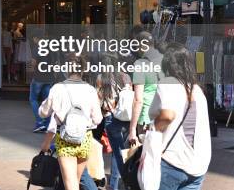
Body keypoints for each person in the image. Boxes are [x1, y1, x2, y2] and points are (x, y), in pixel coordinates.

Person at [149, 42, 211, 189]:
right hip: (199, 164)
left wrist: (154, 130)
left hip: (173, 161)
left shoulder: (168, 83)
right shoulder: (197, 89)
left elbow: (167, 115)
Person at [38, 54, 102, 190]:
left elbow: (43, 112)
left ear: (66, 69)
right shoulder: (90, 90)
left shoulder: (57, 88)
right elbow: (98, 119)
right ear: (83, 70)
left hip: (65, 138)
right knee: (76, 181)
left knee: (70, 184)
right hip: (85, 137)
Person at [96, 59, 132, 190]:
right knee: (123, 151)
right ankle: (124, 182)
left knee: (116, 152)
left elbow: (98, 98)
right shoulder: (125, 76)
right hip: (126, 117)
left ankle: (114, 185)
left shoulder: (102, 77)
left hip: (110, 117)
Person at [39, 115, 98, 190]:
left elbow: (43, 113)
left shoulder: (60, 102)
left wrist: (46, 144)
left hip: (65, 143)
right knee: (75, 179)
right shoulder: (89, 102)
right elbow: (97, 119)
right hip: (84, 140)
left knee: (74, 181)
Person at [128, 31, 163, 146]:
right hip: (163, 114)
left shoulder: (140, 64)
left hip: (146, 117)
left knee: (146, 157)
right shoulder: (165, 60)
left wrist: (132, 129)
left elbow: (138, 99)